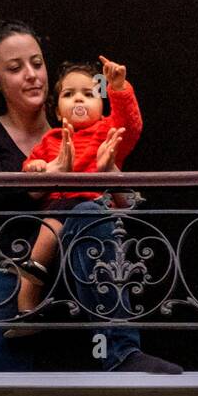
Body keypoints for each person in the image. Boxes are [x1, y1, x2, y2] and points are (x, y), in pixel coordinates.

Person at [0, 18, 181, 375]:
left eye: (37, 62)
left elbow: (125, 210)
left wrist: (110, 174)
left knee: (92, 210)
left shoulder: (83, 133)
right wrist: (51, 175)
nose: (31, 74)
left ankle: (122, 353)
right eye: (15, 68)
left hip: (74, 279)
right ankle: (30, 295)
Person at [12, 54, 140, 322]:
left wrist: (118, 88)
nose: (79, 99)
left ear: (101, 105)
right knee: (48, 226)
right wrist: (37, 166)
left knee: (61, 221)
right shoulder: (52, 139)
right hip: (60, 211)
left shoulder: (106, 130)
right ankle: (31, 283)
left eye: (88, 94)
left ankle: (32, 284)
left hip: (96, 207)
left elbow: (130, 123)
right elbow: (31, 167)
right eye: (69, 94)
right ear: (58, 111)